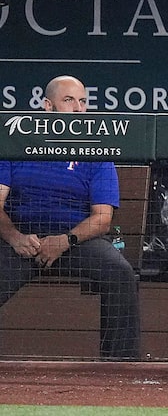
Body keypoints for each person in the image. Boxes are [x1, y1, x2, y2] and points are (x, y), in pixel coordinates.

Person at [0, 75, 140, 361]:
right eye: (69, 100)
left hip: (75, 240)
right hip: (23, 240)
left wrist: (65, 240)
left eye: (83, 102)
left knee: (121, 273)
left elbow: (102, 218)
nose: (78, 108)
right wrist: (15, 237)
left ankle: (121, 367)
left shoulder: (97, 149)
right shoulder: (16, 142)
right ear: (48, 107)